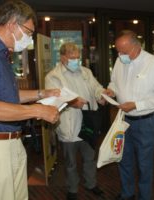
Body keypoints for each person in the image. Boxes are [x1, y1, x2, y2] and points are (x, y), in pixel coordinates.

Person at [0, 1, 60, 200]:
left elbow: (8, 97)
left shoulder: (1, 54)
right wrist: (38, 111)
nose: (29, 39)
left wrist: (42, 94)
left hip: (10, 141)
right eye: (29, 32)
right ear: (13, 24)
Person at [105, 30, 154, 200]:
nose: (120, 55)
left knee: (144, 163)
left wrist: (136, 105)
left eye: (124, 51)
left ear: (137, 46)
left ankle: (144, 197)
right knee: (123, 159)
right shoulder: (120, 61)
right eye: (117, 51)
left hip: (146, 122)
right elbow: (114, 81)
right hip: (123, 120)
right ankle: (127, 194)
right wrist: (111, 90)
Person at [45, 42, 106, 200]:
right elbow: (53, 100)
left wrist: (101, 95)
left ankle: (91, 184)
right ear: (63, 57)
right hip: (69, 126)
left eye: (78, 57)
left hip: (88, 123)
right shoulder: (53, 76)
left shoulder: (85, 71)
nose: (76, 61)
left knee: (90, 157)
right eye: (72, 58)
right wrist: (72, 102)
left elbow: (96, 86)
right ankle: (72, 189)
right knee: (70, 162)